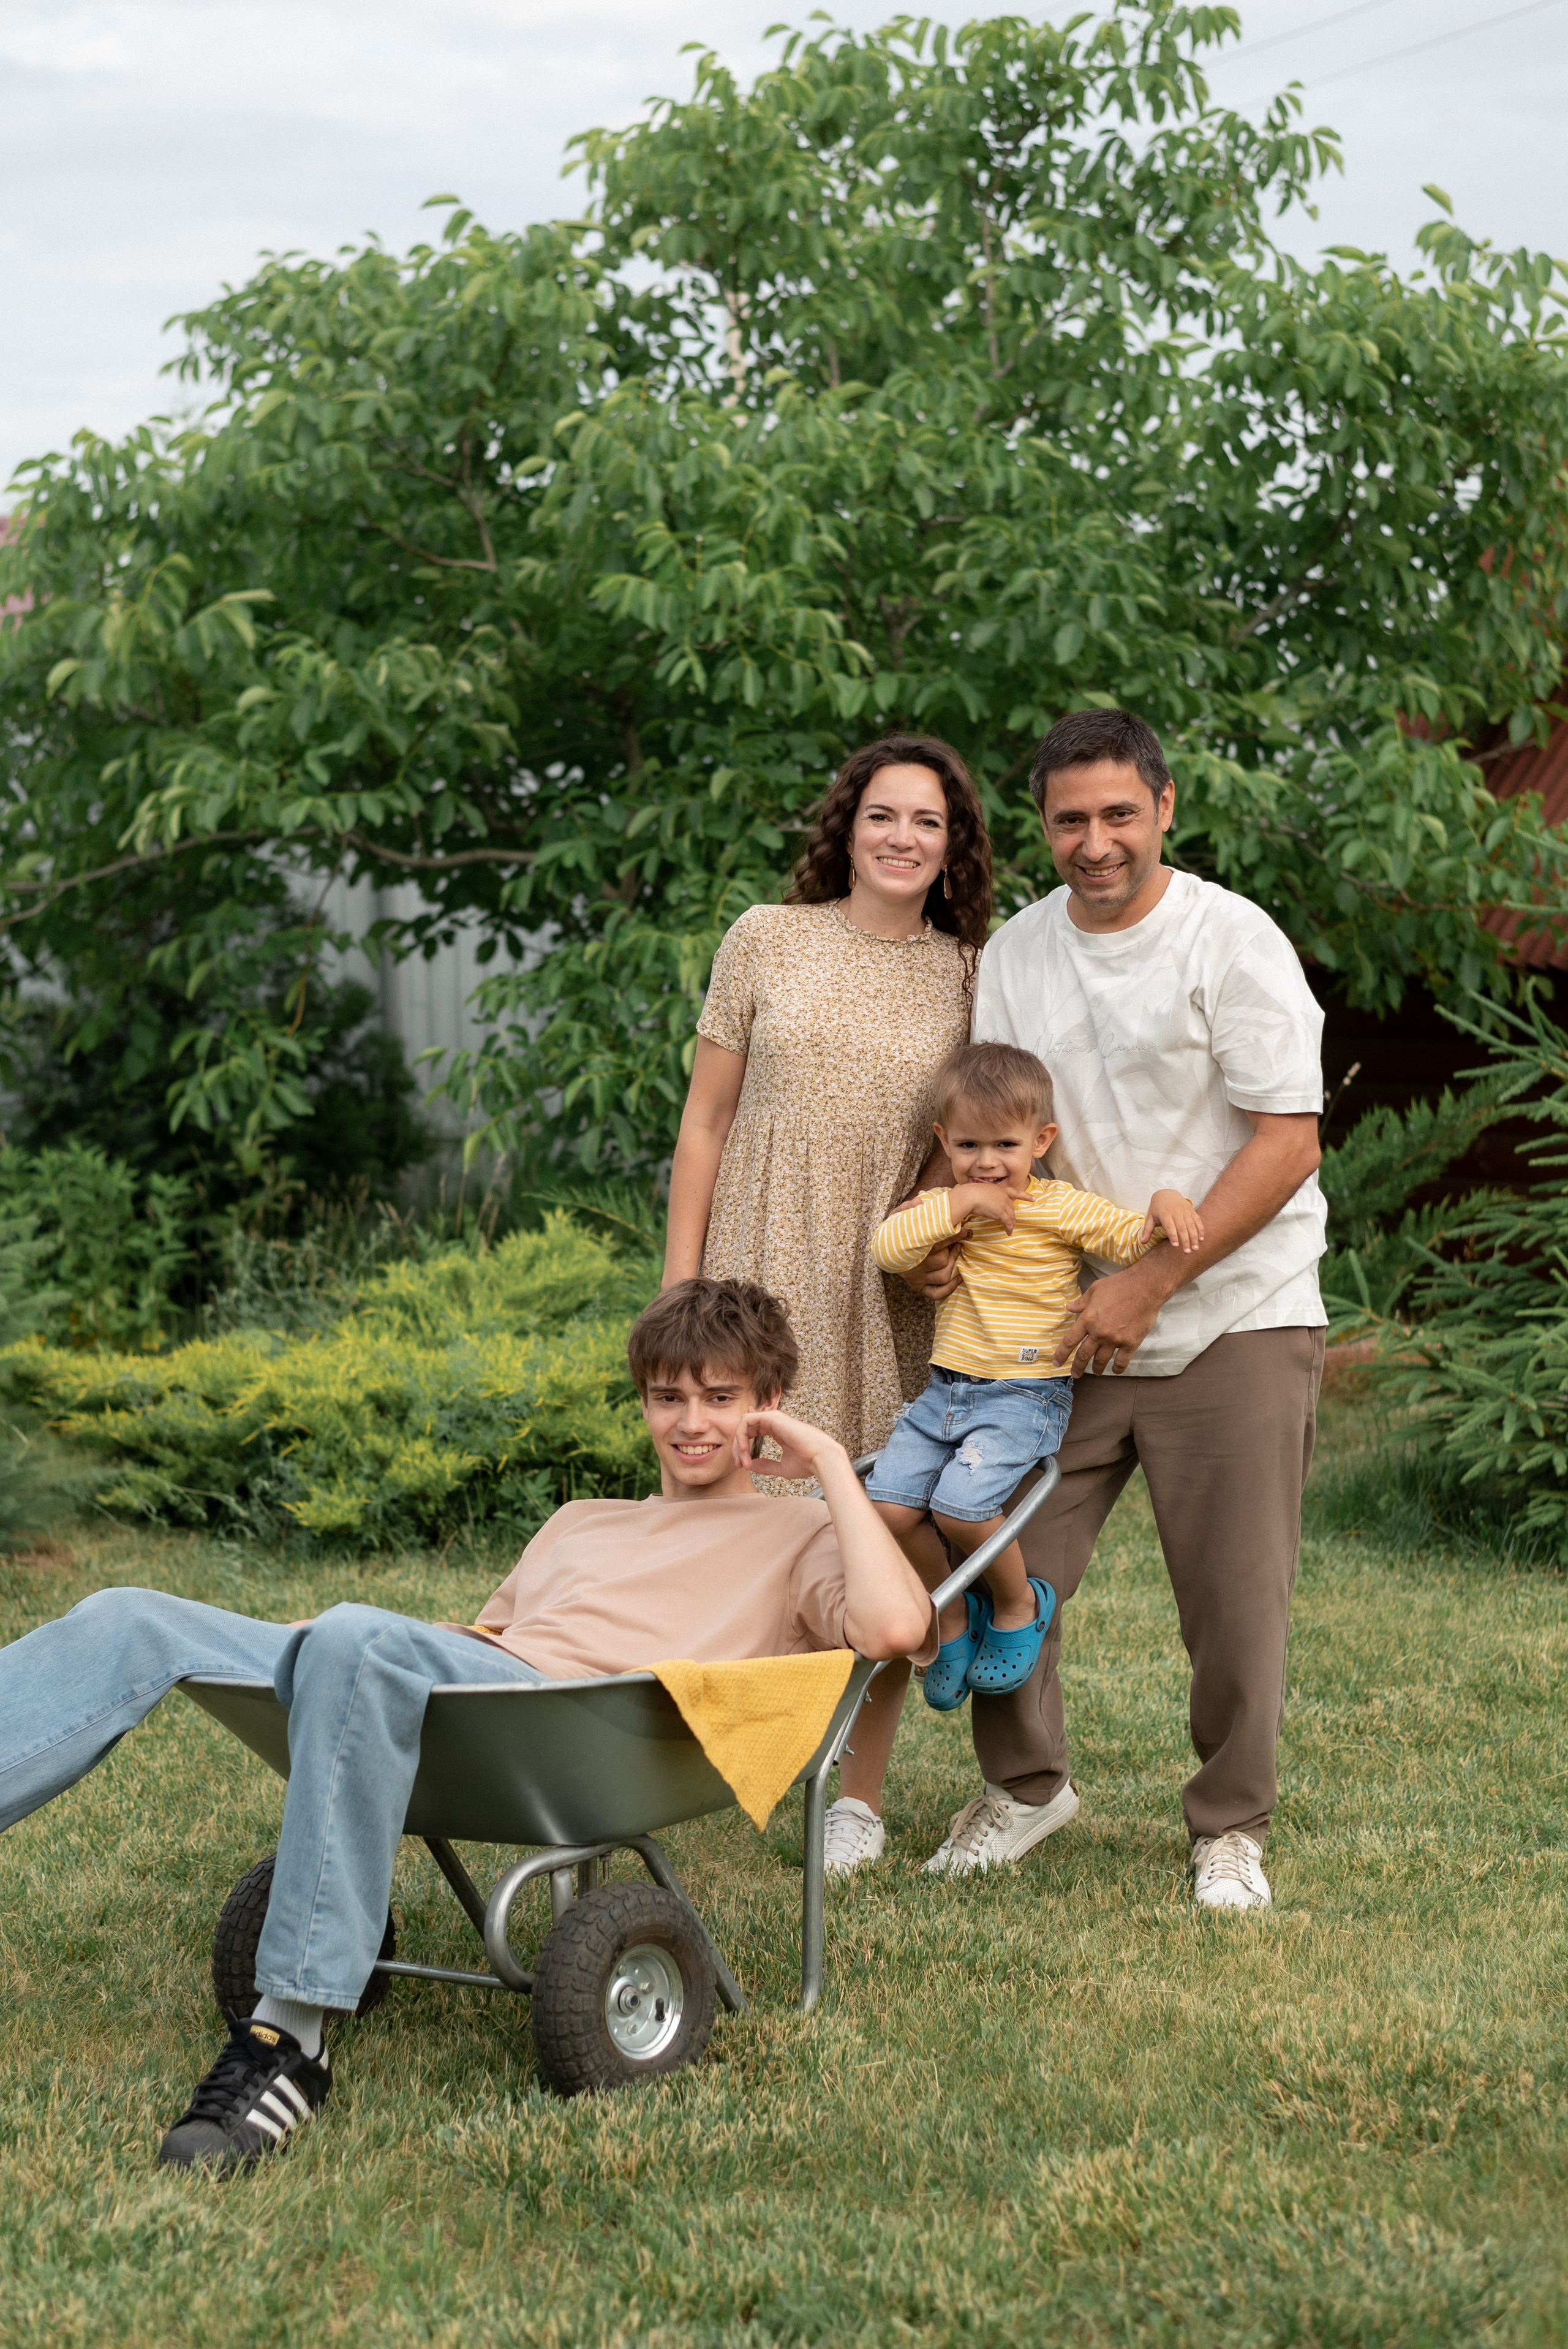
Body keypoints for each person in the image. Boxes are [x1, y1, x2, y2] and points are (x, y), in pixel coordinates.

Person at [0, 1279, 935, 2174]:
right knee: (134, 1613)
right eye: (667, 1396)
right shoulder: (581, 1518)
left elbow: (895, 1628)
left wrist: (822, 1466)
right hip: (488, 1700)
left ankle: (290, 2037)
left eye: (722, 1397)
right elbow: (488, 1637)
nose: (691, 1421)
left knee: (358, 1634)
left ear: (768, 1402)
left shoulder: (801, 1535)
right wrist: (325, 1647)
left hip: (587, 1723)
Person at [869, 708, 1326, 1905]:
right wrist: (938, 1235)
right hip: (1044, 1338)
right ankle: (1022, 1790)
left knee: (1232, 1598)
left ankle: (1228, 1825)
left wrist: (1146, 1281)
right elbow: (987, 1123)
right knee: (1003, 1559)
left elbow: (1287, 1142)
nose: (1094, 840)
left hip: (1233, 1311)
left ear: (1164, 808)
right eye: (1068, 819)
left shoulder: (1231, 941)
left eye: (1118, 813)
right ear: (1041, 827)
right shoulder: (1017, 953)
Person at [662, 735, 990, 1875]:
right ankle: (735, 1745)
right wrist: (680, 1285)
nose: (904, 838)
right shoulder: (765, 938)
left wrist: (945, 1231)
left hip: (877, 1285)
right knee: (738, 1511)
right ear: (847, 827)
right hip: (755, 1266)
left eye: (929, 823)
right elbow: (704, 1122)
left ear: (953, 850)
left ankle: (857, 1793)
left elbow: (978, 1139)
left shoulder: (968, 972)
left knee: (871, 1530)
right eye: (884, 815)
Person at [867, 1040, 1202, 1706]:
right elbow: (886, 1249)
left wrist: (1165, 1200)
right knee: (887, 1509)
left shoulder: (1058, 1207)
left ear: (1040, 1140)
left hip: (1023, 1395)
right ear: (945, 1141)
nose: (985, 1163)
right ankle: (952, 1615)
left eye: (1005, 1146)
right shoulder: (945, 1209)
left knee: (960, 1508)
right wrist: (956, 1206)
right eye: (967, 1147)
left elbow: (1133, 1238)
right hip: (949, 1390)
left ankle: (1018, 1603)